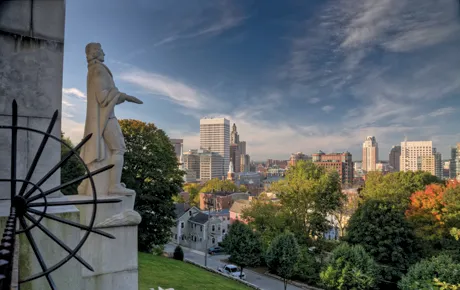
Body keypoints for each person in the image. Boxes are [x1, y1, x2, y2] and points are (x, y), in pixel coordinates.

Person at [78, 42, 142, 195]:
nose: (104, 53)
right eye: (101, 50)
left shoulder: (93, 70)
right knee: (118, 149)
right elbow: (102, 97)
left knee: (99, 155)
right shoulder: (98, 70)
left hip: (101, 119)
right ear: (94, 53)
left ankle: (85, 184)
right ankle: (114, 186)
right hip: (106, 118)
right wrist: (124, 96)